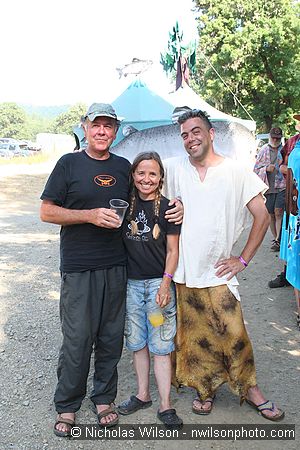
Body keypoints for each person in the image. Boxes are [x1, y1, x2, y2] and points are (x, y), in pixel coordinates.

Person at [40, 103, 183, 437]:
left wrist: (177, 205)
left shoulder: (122, 168)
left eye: (109, 126)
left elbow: (149, 196)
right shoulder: (68, 163)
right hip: (79, 267)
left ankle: (103, 398)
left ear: (116, 131)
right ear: (85, 128)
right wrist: (88, 215)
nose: (102, 131)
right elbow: (46, 212)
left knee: (109, 338)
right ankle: (68, 404)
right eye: (96, 125)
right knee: (77, 338)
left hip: (118, 267)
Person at [163, 109, 284, 421]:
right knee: (195, 337)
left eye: (195, 131)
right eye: (185, 135)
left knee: (234, 333)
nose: (190, 139)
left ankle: (251, 389)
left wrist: (242, 259)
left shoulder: (235, 171)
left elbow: (262, 216)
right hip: (185, 273)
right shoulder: (174, 169)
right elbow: (144, 183)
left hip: (219, 273)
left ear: (211, 133)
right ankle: (205, 389)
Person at [118, 152, 183, 428]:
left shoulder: (169, 208)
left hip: (158, 289)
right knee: (137, 342)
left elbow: (172, 250)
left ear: (160, 178)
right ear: (133, 175)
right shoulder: (124, 208)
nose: (147, 179)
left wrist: (166, 284)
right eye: (141, 173)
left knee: (160, 344)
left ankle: (165, 405)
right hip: (132, 288)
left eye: (153, 174)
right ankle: (143, 394)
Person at [269, 114, 300, 288]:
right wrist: (291, 170)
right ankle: (288, 273)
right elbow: (282, 165)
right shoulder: (293, 143)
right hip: (294, 198)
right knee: (292, 237)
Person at [254, 127, 285, 252]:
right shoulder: (263, 150)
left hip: (282, 186)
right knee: (271, 214)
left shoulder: (284, 150)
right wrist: (266, 169)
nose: (276, 140)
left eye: (278, 138)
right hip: (268, 186)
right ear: (270, 137)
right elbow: (255, 169)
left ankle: (278, 239)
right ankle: (276, 238)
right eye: (274, 138)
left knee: (279, 212)